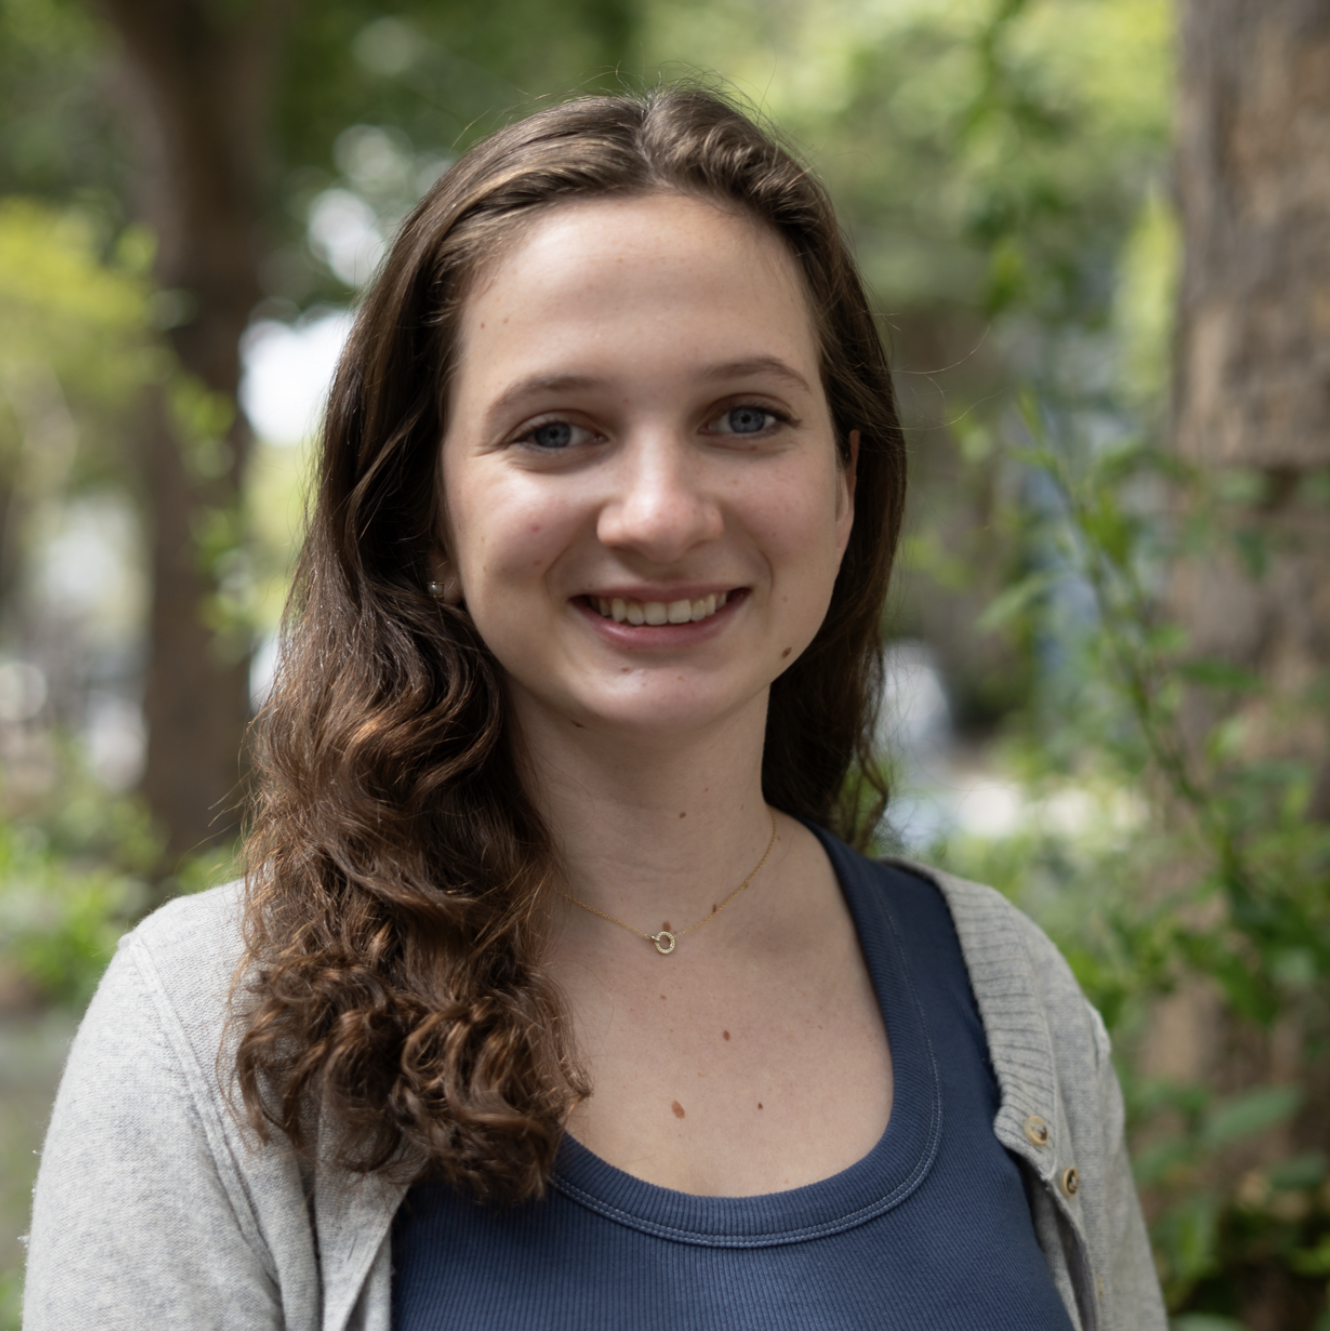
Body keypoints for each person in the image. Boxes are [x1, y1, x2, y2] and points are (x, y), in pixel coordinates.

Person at [24, 88, 1167, 1331]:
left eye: (745, 417)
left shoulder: (1007, 997)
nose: (662, 514)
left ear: (843, 485)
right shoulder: (210, 1033)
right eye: (557, 430)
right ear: (426, 516)